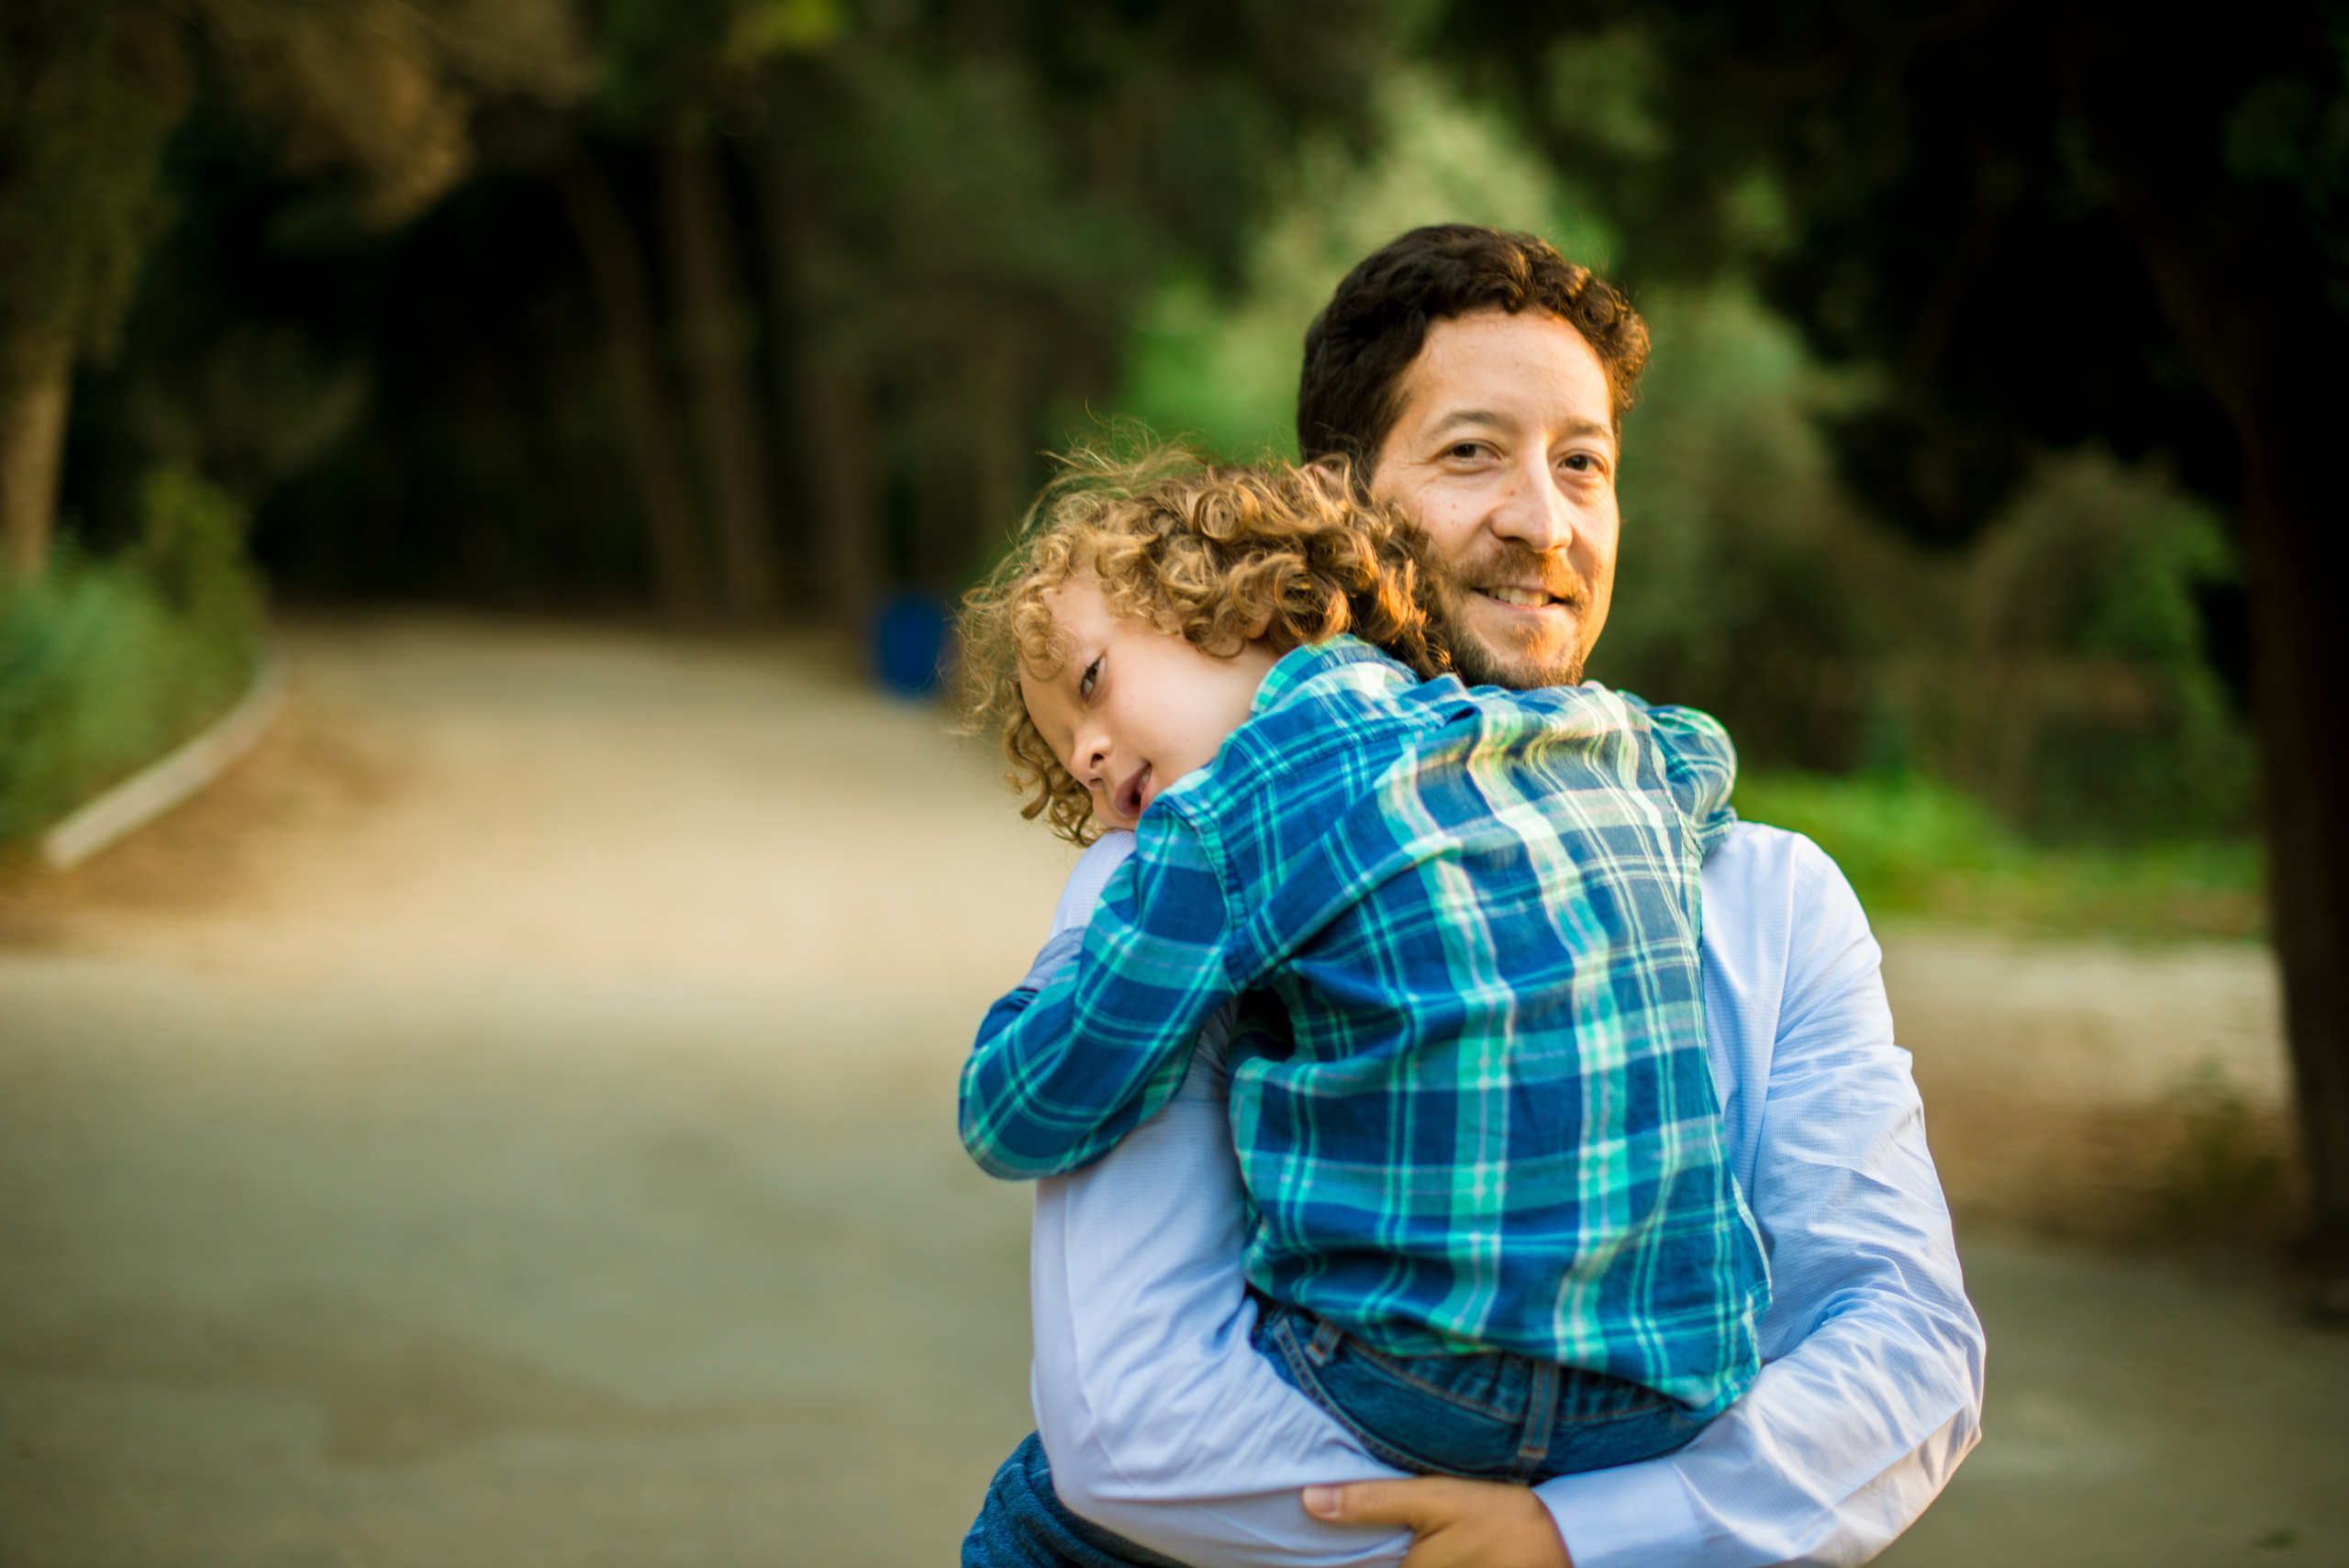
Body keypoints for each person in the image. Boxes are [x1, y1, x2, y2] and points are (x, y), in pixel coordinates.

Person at [968, 226, 1986, 1568]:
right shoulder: (1168, 865)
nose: (1542, 521)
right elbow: (1129, 1422)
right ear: (1335, 502)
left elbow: (1906, 1343)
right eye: (1471, 453)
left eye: (1583, 464)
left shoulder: (1768, 894)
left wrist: (1573, 1539)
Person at [957, 455, 1766, 1487]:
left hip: (1420, 1384)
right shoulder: (1590, 738)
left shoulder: (1225, 821)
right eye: (1069, 749)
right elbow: (1703, 755)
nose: (1085, 757)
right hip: (1679, 1375)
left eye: (1090, 685)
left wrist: (1075, 946)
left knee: (1039, 1511)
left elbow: (1016, 1109)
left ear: (1246, 602)